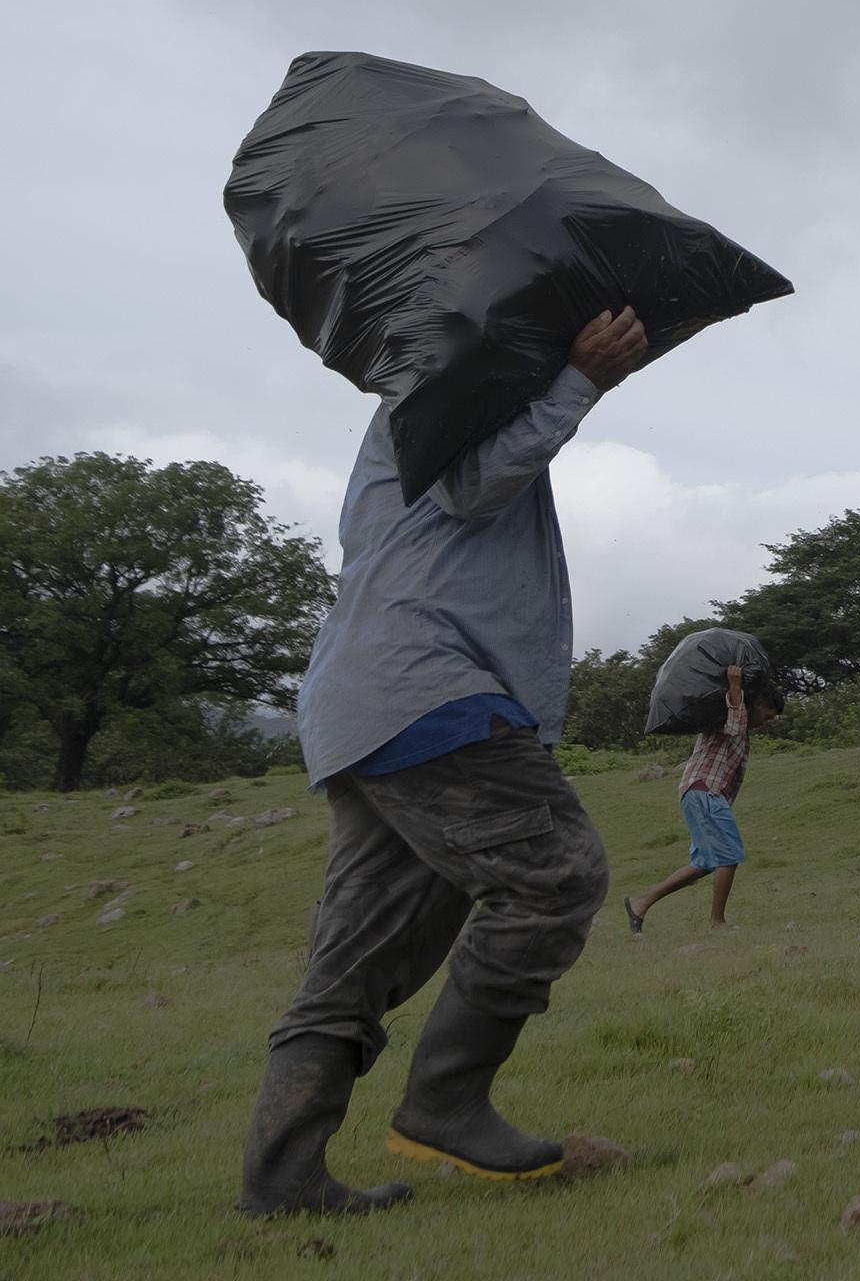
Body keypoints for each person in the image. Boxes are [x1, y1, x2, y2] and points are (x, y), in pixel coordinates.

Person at [236, 308, 647, 1219]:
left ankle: (283, 1181)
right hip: (426, 690)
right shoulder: (439, 387)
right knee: (556, 874)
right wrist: (580, 382)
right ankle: (444, 1105)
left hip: (370, 703)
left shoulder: (447, 393)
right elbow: (472, 488)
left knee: (358, 956)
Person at [622, 661, 780, 934]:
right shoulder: (731, 717)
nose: (765, 724)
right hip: (703, 790)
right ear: (756, 703)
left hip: (701, 793)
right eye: (767, 715)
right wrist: (734, 685)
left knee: (704, 864)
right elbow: (733, 724)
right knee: (728, 856)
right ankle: (717, 923)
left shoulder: (736, 723)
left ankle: (640, 903)